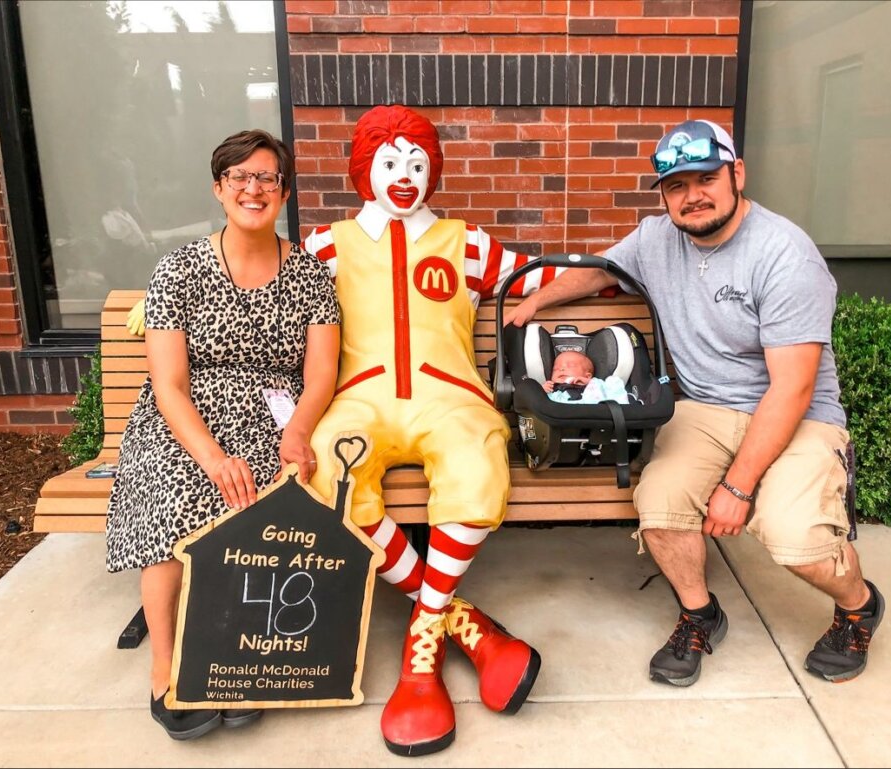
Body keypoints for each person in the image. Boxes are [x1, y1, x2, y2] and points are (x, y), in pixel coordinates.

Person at [506, 119, 885, 688]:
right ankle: (700, 613)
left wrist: (737, 487)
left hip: (797, 417)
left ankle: (858, 606)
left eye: (706, 178)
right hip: (705, 409)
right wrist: (535, 299)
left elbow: (793, 389)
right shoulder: (658, 238)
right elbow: (595, 273)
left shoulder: (785, 255)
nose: (693, 196)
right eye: (676, 186)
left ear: (737, 173)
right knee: (658, 504)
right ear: (664, 194)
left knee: (792, 536)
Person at [300, 105, 564, 757]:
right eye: (390, 163)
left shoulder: (465, 242)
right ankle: (462, 621)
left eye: (418, 164)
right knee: (326, 470)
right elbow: (258, 287)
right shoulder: (327, 245)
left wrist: (613, 270)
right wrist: (163, 305)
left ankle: (421, 650)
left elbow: (542, 275)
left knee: (480, 462)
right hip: (358, 399)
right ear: (365, 169)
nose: (405, 176)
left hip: (450, 395)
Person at [106, 129, 341, 740]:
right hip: (184, 421)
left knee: (271, 499)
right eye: (239, 177)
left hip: (271, 418)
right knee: (177, 492)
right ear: (219, 189)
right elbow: (169, 384)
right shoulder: (178, 269)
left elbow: (320, 374)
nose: (253, 188)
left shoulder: (312, 275)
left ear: (283, 192)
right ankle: (166, 666)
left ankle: (238, 657)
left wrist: (298, 432)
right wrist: (210, 456)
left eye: (266, 177)